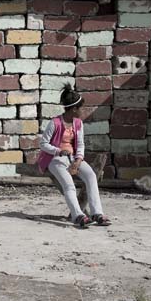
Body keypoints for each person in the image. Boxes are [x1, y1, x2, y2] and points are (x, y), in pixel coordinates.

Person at [37, 85, 111, 229]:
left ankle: (97, 213)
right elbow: (43, 144)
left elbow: (81, 144)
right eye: (81, 108)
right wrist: (58, 151)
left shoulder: (78, 123)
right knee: (69, 185)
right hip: (55, 159)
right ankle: (78, 215)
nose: (82, 111)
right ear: (74, 109)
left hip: (73, 158)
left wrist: (78, 160)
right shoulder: (55, 123)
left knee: (91, 176)